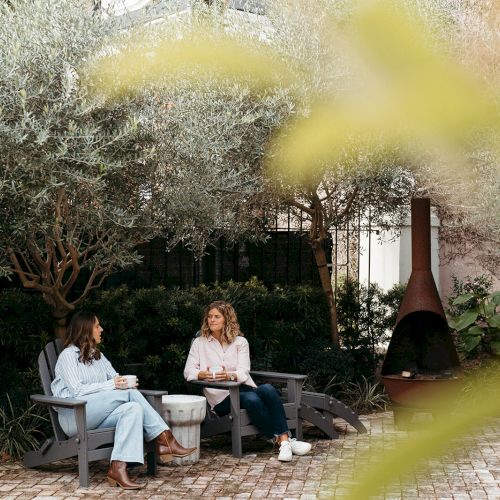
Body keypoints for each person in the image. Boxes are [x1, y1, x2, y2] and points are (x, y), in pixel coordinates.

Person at [51, 311, 196, 490]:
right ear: (86, 329)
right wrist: (112, 386)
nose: (101, 329)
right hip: (74, 417)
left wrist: (125, 383)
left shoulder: (98, 356)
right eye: (97, 326)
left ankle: (117, 469)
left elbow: (115, 378)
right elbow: (77, 391)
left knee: (134, 408)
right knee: (129, 395)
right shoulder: (68, 356)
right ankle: (165, 439)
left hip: (96, 415)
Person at [184, 300, 312, 462]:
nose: (212, 320)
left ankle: (284, 442)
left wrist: (228, 376)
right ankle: (285, 441)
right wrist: (203, 375)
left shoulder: (240, 342)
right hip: (221, 399)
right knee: (251, 398)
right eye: (209, 316)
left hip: (243, 388)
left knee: (267, 389)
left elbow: (243, 371)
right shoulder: (199, 343)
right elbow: (188, 372)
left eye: (217, 316)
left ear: (227, 319)